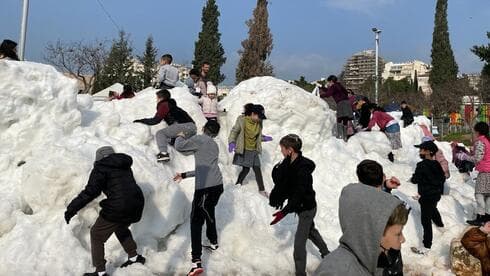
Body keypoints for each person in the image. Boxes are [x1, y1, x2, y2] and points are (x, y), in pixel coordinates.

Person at [64, 147, 145, 276]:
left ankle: (100, 272)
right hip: (136, 203)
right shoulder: (123, 164)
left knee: (96, 234)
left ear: (99, 158)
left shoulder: (101, 168)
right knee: (120, 227)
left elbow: (90, 192)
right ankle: (134, 257)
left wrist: (72, 208)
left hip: (119, 206)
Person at [314, 183, 409, 276]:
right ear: (374, 234)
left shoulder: (375, 262)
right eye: (398, 233)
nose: (403, 239)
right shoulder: (336, 271)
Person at [269, 134, 330, 276]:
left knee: (299, 245)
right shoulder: (287, 163)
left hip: (307, 208)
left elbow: (298, 194)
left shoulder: (303, 170)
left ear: (290, 150)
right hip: (300, 207)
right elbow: (283, 182)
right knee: (310, 231)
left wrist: (283, 212)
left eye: (282, 149)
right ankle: (326, 253)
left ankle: (300, 273)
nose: (281, 152)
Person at [173, 120, 224, 276]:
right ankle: (213, 241)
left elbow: (179, 146)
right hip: (217, 186)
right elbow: (204, 168)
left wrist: (181, 135)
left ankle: (196, 262)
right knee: (209, 211)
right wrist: (185, 175)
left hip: (205, 189)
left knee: (196, 221)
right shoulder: (214, 145)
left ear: (204, 129)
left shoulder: (200, 139)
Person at [133, 89, 196, 162]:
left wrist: (141, 121)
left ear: (161, 98)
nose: (156, 101)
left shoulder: (164, 104)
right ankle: (199, 148)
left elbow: (156, 120)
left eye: (157, 98)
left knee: (160, 133)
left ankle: (163, 154)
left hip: (184, 126)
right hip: (191, 128)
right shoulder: (172, 106)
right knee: (178, 145)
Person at [228, 104, 272, 197]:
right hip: (245, 149)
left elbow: (257, 136)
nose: (260, 119)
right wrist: (231, 142)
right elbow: (234, 131)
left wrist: (264, 138)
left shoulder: (259, 122)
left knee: (257, 169)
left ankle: (262, 190)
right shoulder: (242, 120)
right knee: (246, 169)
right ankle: (238, 184)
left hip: (254, 149)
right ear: (252, 114)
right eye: (258, 116)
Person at [410, 141, 446, 255]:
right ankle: (440, 226)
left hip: (426, 196)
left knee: (425, 221)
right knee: (433, 209)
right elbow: (442, 179)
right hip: (435, 195)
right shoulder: (437, 164)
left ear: (428, 152)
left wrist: (412, 178)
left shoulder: (421, 165)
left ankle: (426, 246)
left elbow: (415, 179)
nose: (420, 152)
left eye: (422, 150)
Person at [466, 122, 490, 226]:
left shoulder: (480, 142)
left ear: (478, 131)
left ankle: (480, 218)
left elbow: (477, 158)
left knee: (479, 194)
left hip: (485, 172)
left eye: (475, 131)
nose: (474, 133)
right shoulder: (487, 140)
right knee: (488, 195)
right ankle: (487, 218)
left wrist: (464, 156)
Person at [319, 75, 353, 141]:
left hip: (341, 103)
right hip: (347, 103)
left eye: (328, 82)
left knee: (339, 119)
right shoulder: (339, 85)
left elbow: (328, 94)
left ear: (331, 81)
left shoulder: (333, 86)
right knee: (345, 119)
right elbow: (330, 91)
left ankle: (340, 136)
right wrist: (322, 88)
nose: (328, 84)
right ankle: (345, 137)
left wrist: (320, 96)